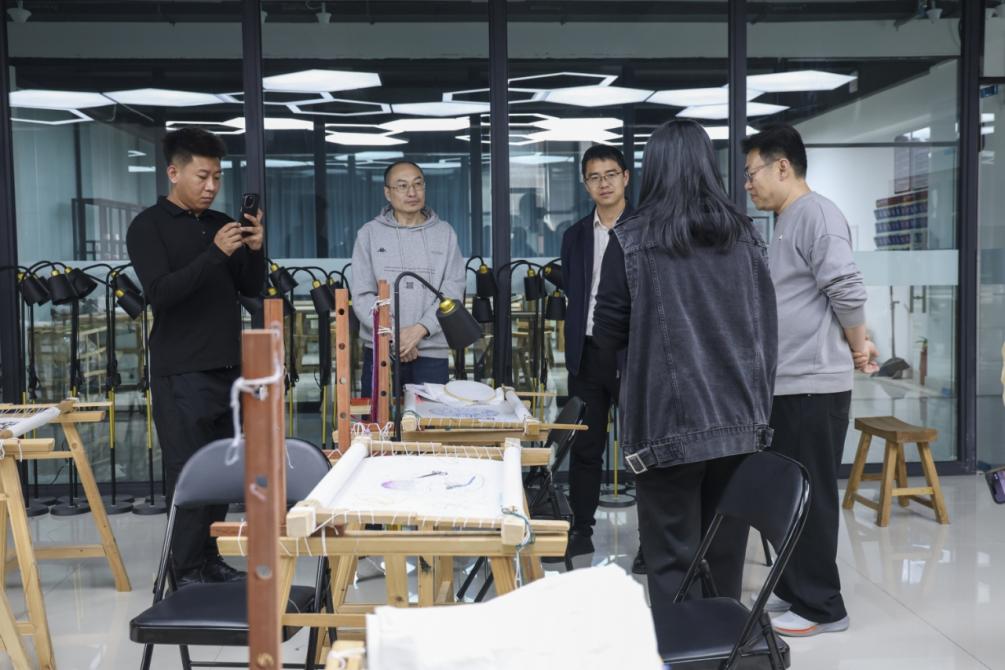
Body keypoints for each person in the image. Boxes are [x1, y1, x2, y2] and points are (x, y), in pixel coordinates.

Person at [592, 119, 777, 628]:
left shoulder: (631, 238)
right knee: (725, 554)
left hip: (665, 422)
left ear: (652, 170)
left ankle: (684, 651)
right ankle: (719, 649)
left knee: (672, 559)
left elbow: (606, 331)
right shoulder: (746, 235)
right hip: (738, 419)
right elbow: (766, 328)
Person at [127, 127, 265, 587]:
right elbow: (161, 294)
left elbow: (250, 287)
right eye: (202, 176)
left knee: (223, 469)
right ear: (174, 172)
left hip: (228, 367)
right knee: (188, 472)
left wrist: (254, 249)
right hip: (181, 369)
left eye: (217, 177)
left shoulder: (221, 222)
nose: (211, 186)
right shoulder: (148, 227)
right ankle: (182, 570)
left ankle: (209, 559)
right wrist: (214, 253)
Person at [743, 124, 868, 637]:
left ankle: (822, 606)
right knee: (788, 493)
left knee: (811, 497)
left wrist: (859, 344)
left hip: (813, 384)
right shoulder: (786, 220)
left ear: (782, 166)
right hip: (789, 381)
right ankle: (795, 588)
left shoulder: (817, 214)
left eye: (751, 173)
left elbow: (846, 286)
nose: (748, 184)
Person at [558, 145, 644, 573]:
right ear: (585, 184)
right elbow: (575, 296)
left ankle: (652, 538)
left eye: (611, 174)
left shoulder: (646, 229)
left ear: (626, 177)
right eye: (594, 177)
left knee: (643, 451)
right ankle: (581, 529)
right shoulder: (575, 235)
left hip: (634, 355)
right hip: (588, 354)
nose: (604, 183)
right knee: (586, 449)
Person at [351, 161, 466, 398]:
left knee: (429, 421)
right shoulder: (369, 234)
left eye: (417, 184)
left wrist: (419, 330)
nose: (412, 192)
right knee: (379, 421)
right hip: (381, 350)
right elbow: (362, 294)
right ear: (388, 192)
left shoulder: (445, 233)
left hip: (432, 352)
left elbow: (453, 289)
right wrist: (396, 336)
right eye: (402, 186)